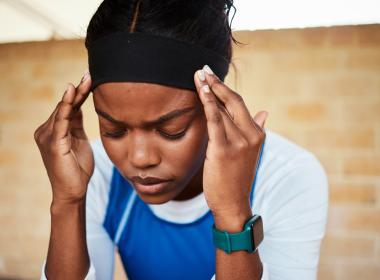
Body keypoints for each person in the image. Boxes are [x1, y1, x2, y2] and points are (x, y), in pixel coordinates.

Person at [34, 1, 328, 279]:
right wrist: (67, 202)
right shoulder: (94, 171)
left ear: (217, 104)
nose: (140, 158)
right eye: (114, 130)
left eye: (170, 129)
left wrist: (233, 211)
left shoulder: (286, 175)